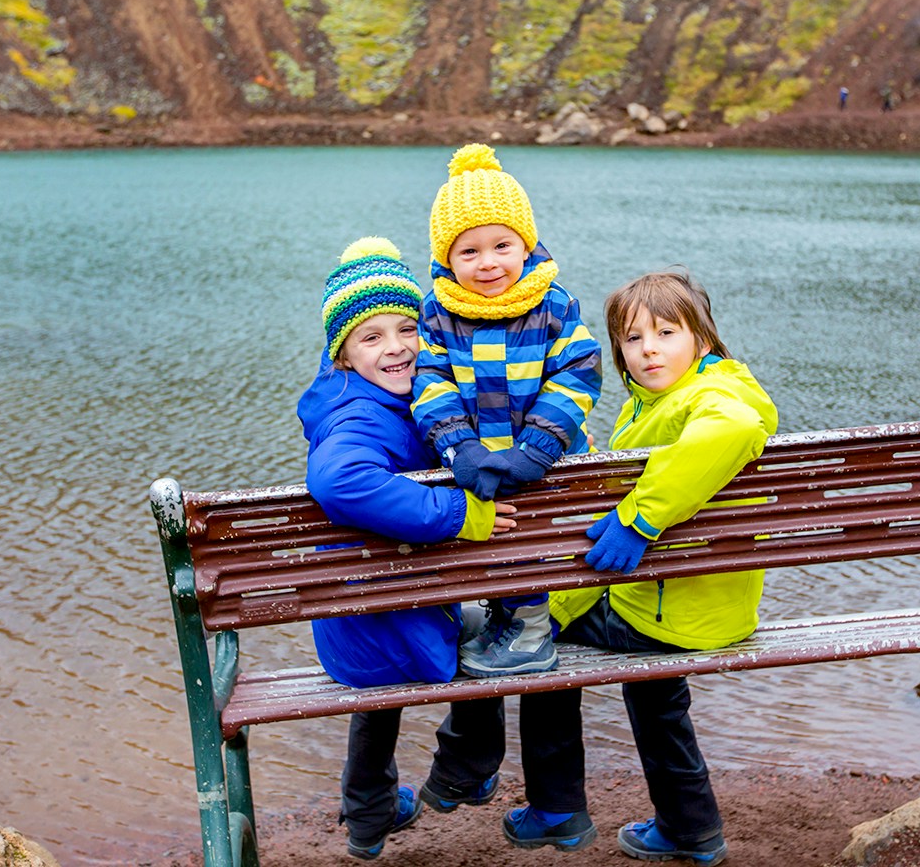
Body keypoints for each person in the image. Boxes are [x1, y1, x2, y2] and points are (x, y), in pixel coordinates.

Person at [505, 269, 779, 863]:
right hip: (709, 605)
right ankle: (692, 831)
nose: (648, 349)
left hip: (666, 609)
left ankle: (556, 808)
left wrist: (639, 521)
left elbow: (733, 429)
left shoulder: (713, 400)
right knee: (654, 694)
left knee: (538, 641)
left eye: (665, 332)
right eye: (632, 339)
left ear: (702, 339)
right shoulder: (677, 397)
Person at [298, 236, 513, 860]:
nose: (395, 348)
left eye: (407, 329)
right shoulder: (360, 417)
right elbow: (339, 479)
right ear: (342, 352)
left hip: (357, 631)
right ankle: (462, 771)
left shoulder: (361, 398)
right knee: (496, 626)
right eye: (371, 338)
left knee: (387, 671)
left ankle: (367, 816)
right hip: (396, 623)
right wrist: (458, 514)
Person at [412, 143, 603, 677]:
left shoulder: (553, 304)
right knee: (497, 543)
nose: (488, 263)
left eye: (502, 245)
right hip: (476, 462)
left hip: (543, 462)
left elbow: (579, 374)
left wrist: (537, 449)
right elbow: (431, 381)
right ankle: (505, 618)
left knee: (532, 543)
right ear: (446, 258)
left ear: (527, 244)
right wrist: (459, 447)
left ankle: (530, 634)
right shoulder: (438, 312)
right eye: (468, 252)